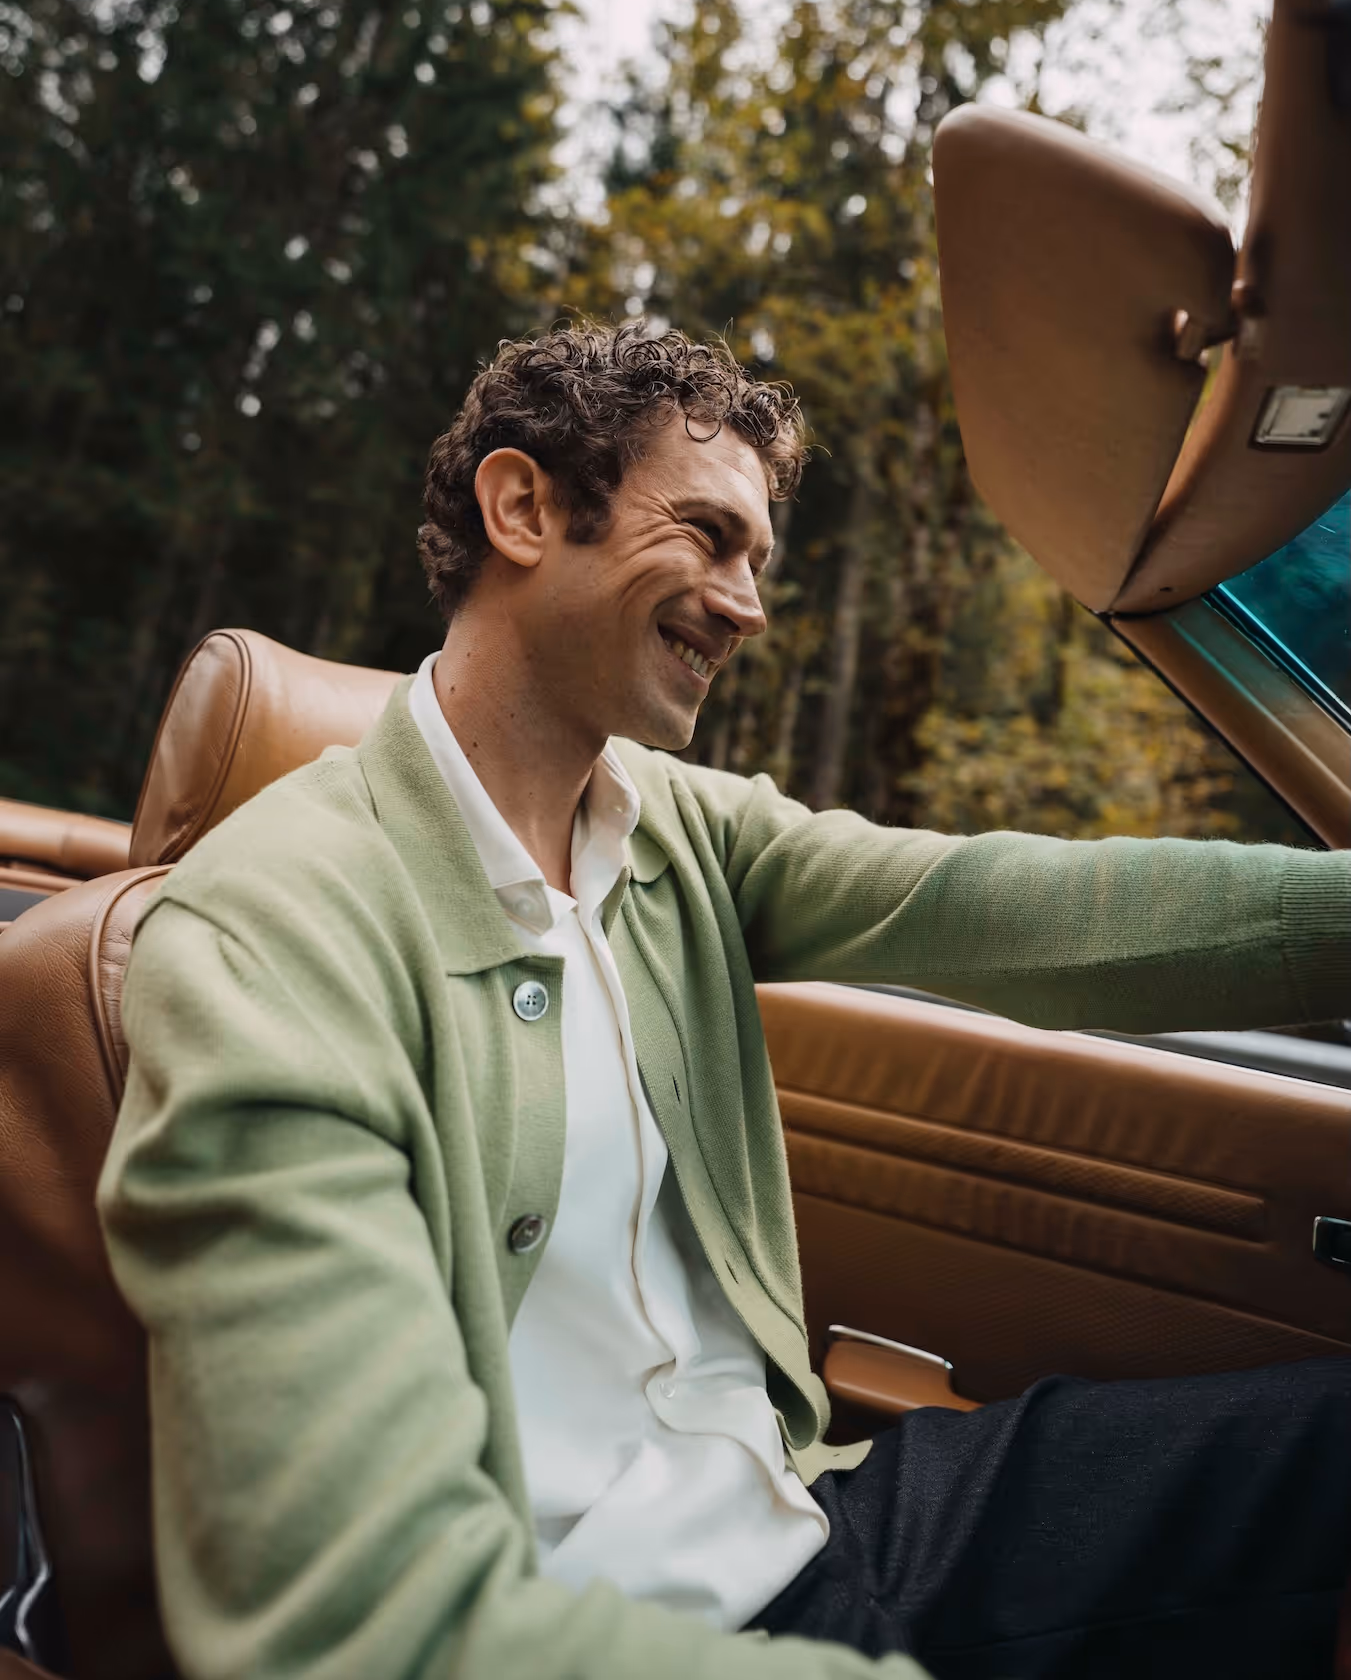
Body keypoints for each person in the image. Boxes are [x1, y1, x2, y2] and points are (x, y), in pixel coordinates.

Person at [98, 322, 1351, 1680]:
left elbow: (1007, 906)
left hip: (816, 1511)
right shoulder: (268, 936)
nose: (747, 603)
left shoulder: (676, 829)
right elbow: (363, 1621)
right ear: (522, 508)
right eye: (704, 534)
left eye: (757, 557)